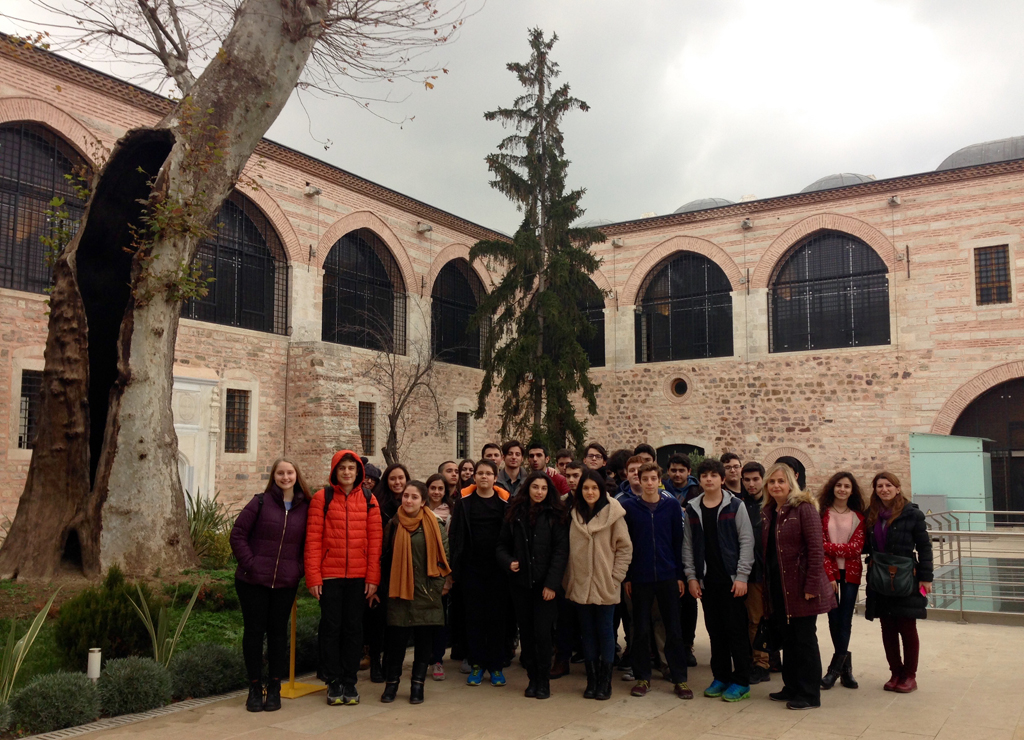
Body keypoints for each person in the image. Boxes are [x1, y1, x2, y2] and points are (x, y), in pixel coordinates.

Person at [230, 458, 311, 712]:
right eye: (280, 473)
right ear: (273, 476)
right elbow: (238, 534)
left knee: (278, 635)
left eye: (289, 472)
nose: (285, 477)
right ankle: (255, 688)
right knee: (254, 633)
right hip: (252, 581)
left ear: (296, 475)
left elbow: (310, 544)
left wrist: (297, 569)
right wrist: (251, 564)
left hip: (285, 583)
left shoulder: (306, 508)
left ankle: (275, 687)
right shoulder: (260, 502)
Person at [305, 450, 383, 706]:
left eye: (351, 468)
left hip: (359, 576)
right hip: (330, 576)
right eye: (342, 468)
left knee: (353, 629)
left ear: (358, 471)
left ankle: (349, 680)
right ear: (335, 471)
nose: (347, 472)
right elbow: (313, 539)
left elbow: (375, 542)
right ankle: (333, 680)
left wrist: (373, 577)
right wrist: (313, 577)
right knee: (331, 628)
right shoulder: (322, 498)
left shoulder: (369, 499)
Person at [761, 463, 835, 711]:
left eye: (781, 481)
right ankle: (791, 687)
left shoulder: (804, 508)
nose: (776, 486)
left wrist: (812, 584)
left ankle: (809, 694)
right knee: (788, 638)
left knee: (804, 639)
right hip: (778, 586)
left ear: (790, 483)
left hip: (802, 586)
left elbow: (816, 549)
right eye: (772, 482)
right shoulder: (768, 511)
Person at [682, 458, 754, 703]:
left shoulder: (735, 505)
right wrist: (692, 577)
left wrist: (742, 576)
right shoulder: (692, 508)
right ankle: (721, 677)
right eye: (704, 476)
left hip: (732, 581)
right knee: (715, 632)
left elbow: (746, 541)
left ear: (722, 479)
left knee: (736, 631)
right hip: (707, 581)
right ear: (699, 480)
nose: (709, 479)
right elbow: (688, 545)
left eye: (714, 475)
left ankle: (741, 681)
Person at [621, 462, 691, 700]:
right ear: (639, 481)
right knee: (640, 629)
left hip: (668, 575)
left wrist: (679, 575)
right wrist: (628, 576)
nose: (649, 483)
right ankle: (642, 677)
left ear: (659, 480)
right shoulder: (630, 507)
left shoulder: (671, 506)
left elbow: (678, 541)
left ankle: (680, 678)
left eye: (653, 478)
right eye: (645, 479)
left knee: (673, 629)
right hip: (640, 578)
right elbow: (626, 544)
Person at [378, 481, 452, 705]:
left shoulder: (435, 524)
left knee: (423, 642)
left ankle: (417, 685)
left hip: (426, 591)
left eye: (414, 497)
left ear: (423, 501)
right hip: (399, 591)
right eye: (406, 496)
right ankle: (392, 683)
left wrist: (437, 587)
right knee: (396, 642)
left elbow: (444, 558)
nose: (408, 500)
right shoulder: (393, 524)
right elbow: (384, 556)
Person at [497, 472, 570, 699]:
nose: (539, 492)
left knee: (542, 634)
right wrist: (509, 562)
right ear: (528, 488)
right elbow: (501, 546)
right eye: (535, 487)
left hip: (545, 586)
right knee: (527, 634)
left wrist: (552, 585)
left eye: (544, 488)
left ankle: (543, 681)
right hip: (521, 585)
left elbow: (561, 552)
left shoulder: (556, 515)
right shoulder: (514, 513)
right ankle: (532, 679)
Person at [564, 469, 633, 701]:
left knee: (605, 632)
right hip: (581, 584)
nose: (590, 492)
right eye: (585, 488)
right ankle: (591, 680)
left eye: (594, 488)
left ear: (601, 489)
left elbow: (624, 548)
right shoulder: (574, 513)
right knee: (587, 633)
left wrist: (615, 578)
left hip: (605, 584)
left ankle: (605, 681)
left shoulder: (613, 514)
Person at [864, 471, 933, 694]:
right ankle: (895, 672)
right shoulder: (871, 513)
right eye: (880, 486)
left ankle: (909, 675)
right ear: (875, 490)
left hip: (905, 577)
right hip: (879, 577)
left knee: (907, 627)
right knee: (887, 628)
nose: (884, 489)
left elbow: (924, 547)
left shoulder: (912, 514)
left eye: (888, 485)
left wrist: (926, 577)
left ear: (897, 488)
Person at [448, 460, 511, 687]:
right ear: (474, 477)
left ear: (495, 477)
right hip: (471, 569)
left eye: (488, 473)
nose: (484, 477)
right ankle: (476, 664)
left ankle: (496, 666)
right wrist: (453, 569)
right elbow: (455, 536)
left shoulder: (505, 502)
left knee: (496, 619)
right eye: (480, 473)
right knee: (473, 618)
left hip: (498, 571)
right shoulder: (464, 502)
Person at [817, 471, 865, 690]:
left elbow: (855, 549)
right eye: (839, 485)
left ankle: (834, 670)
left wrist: (829, 547)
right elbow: (819, 547)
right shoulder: (822, 513)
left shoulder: (858, 517)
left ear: (852, 491)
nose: (842, 490)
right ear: (832, 488)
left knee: (845, 619)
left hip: (851, 574)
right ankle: (845, 669)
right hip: (830, 573)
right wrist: (829, 575)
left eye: (847, 486)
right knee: (833, 618)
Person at [366, 463, 411, 682]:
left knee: (398, 622)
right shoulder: (377, 505)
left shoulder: (412, 505)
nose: (397, 482)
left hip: (405, 570)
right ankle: (375, 661)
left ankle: (392, 663)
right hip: (383, 569)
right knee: (378, 620)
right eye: (393, 478)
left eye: (401, 478)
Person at [739, 461, 770, 683]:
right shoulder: (738, 504)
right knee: (754, 619)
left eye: (755, 479)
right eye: (747, 480)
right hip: (750, 572)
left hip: (772, 570)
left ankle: (770, 659)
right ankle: (760, 663)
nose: (751, 484)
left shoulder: (772, 504)